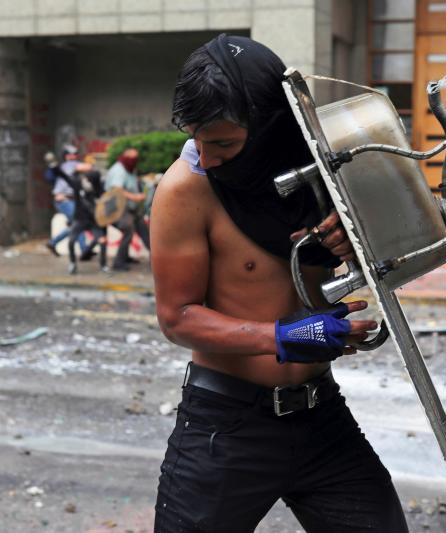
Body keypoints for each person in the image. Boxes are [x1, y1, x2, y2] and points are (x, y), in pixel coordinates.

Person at [150, 34, 407, 532]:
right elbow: (176, 317)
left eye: (224, 142)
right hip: (225, 426)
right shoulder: (185, 189)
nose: (208, 156)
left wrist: (358, 237)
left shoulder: (328, 171)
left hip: (321, 417)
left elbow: (404, 252)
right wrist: (285, 336)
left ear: (268, 125)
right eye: (198, 139)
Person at [104, 148, 150, 271]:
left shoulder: (129, 168)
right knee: (128, 230)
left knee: (144, 231)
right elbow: (116, 190)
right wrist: (135, 197)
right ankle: (119, 263)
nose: (134, 161)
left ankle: (156, 258)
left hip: (131, 208)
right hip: (118, 208)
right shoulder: (119, 170)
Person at [64, 162, 108, 274]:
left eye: (88, 179)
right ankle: (73, 263)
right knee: (71, 241)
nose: (86, 181)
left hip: (94, 221)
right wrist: (77, 169)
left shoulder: (99, 191)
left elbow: (105, 209)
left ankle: (103, 265)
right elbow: (67, 177)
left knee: (102, 242)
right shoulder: (78, 185)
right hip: (80, 219)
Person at [44, 145, 87, 256]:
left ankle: (53, 243)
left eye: (74, 154)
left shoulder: (66, 166)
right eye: (70, 154)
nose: (73, 156)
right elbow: (86, 167)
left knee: (76, 224)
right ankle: (84, 250)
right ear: (66, 156)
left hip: (71, 200)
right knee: (79, 222)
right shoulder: (68, 165)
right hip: (65, 200)